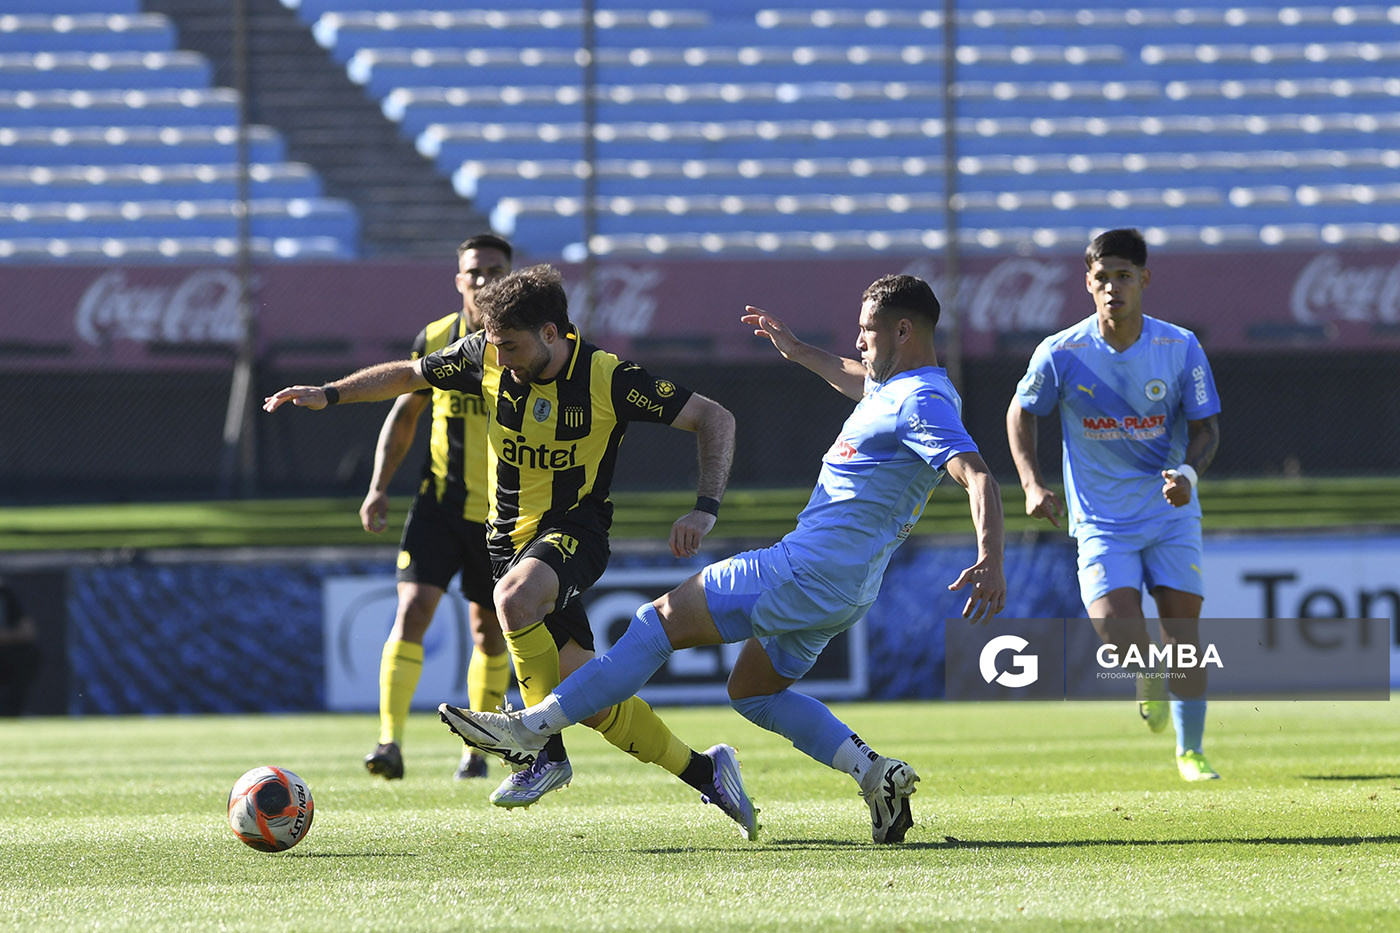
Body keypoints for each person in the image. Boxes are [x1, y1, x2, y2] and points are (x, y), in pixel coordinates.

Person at [436, 273, 1007, 844]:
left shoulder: (921, 402)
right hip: (847, 590)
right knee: (753, 693)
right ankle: (875, 773)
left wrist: (990, 557)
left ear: (903, 330)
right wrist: (800, 351)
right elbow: (860, 380)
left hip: (802, 571)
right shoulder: (907, 389)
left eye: (867, 330)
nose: (858, 342)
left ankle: (532, 729)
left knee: (655, 624)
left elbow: (975, 474)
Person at [265, 264, 756, 835]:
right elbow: (409, 375)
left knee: (513, 600)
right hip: (508, 540)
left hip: (576, 529)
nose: (498, 359)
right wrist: (330, 394)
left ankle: (541, 752)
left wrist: (705, 507)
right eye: (493, 346)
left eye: (511, 346)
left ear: (552, 333)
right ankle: (707, 772)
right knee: (589, 698)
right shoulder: (482, 354)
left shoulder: (608, 377)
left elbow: (713, 417)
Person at [1005, 227, 1222, 782]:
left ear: (1144, 280)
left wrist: (1190, 475)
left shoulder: (1179, 348)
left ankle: (1191, 752)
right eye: (1102, 278)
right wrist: (1031, 483)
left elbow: (1207, 428)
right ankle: (1144, 674)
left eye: (1123, 276)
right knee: (1115, 630)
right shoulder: (1062, 352)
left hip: (1170, 514)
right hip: (1102, 520)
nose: (1112, 288)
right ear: (1087, 283)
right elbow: (1021, 411)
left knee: (1184, 637)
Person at [360, 233, 513, 782]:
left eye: (494, 270)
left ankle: (477, 750)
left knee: (487, 632)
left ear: (510, 276)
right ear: (459, 280)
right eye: (475, 271)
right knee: (412, 611)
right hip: (439, 504)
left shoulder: (527, 344)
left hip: (502, 514)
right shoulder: (436, 338)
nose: (484, 280)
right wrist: (379, 486)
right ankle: (389, 742)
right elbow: (404, 413)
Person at [0, 577, 39, 716]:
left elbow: (28, 631)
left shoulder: (4, 593)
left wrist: (5, 636)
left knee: (28, 654)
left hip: (4, 655)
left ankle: (12, 712)